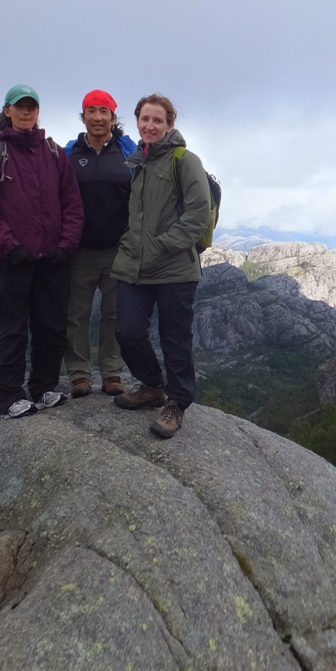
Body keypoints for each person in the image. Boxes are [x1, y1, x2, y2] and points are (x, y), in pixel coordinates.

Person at [0, 84, 84, 418]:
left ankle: (45, 387)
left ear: (37, 112)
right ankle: (10, 397)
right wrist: (10, 246)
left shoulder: (53, 153)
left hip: (51, 257)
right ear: (7, 111)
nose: (26, 112)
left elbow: (72, 203)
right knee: (12, 328)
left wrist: (65, 245)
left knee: (52, 326)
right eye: (19, 107)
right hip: (11, 259)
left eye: (31, 107)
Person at [111, 94, 211, 438]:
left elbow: (199, 211)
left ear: (170, 124)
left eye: (158, 120)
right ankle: (153, 385)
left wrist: (163, 245)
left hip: (174, 268)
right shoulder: (137, 161)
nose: (150, 125)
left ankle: (177, 403)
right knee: (127, 330)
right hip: (134, 265)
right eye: (144, 119)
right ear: (137, 123)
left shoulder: (184, 161)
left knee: (175, 338)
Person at [63, 90, 137, 399]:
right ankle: (79, 374)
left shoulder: (128, 152)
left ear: (112, 118)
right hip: (80, 249)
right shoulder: (68, 154)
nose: (97, 117)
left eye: (103, 111)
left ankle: (111, 373)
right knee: (75, 314)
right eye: (91, 111)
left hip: (118, 248)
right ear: (83, 117)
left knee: (115, 314)